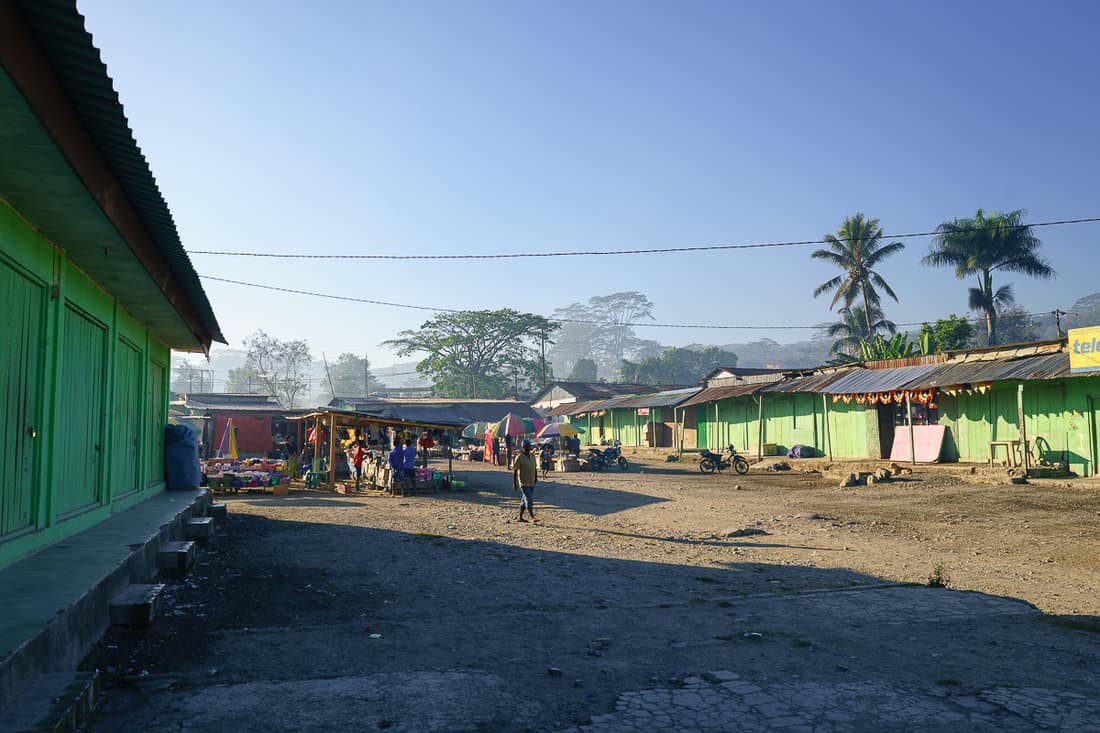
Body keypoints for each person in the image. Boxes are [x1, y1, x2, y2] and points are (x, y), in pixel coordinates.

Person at [512, 439, 539, 523]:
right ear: (523, 447)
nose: (529, 447)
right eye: (527, 446)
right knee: (529, 499)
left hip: (531, 481)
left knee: (524, 500)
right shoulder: (519, 457)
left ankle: (520, 517)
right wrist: (515, 483)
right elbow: (515, 470)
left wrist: (536, 477)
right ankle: (532, 517)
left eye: (529, 446)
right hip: (524, 482)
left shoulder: (532, 456)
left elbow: (534, 467)